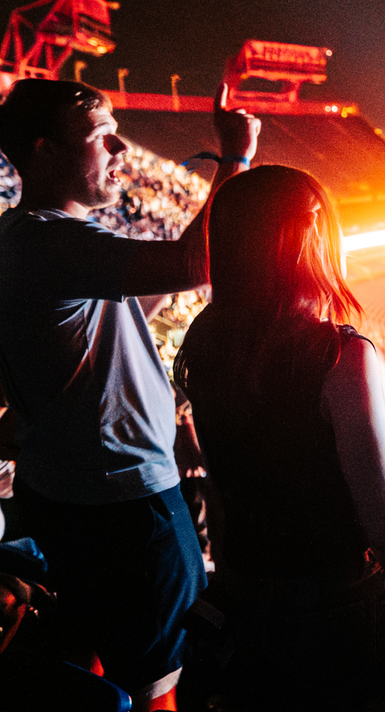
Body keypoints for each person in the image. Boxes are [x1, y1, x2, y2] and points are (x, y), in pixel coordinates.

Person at [171, 165, 385, 710]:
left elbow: (230, 491)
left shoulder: (205, 343)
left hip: (253, 613)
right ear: (311, 236)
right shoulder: (341, 357)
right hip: (344, 620)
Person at [0, 79, 257, 710]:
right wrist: (235, 159)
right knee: (159, 687)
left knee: (86, 662)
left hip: (65, 493)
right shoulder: (48, 239)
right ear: (43, 152)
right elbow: (198, 262)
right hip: (122, 506)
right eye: (99, 134)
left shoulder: (23, 238)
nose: (120, 146)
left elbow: (140, 301)